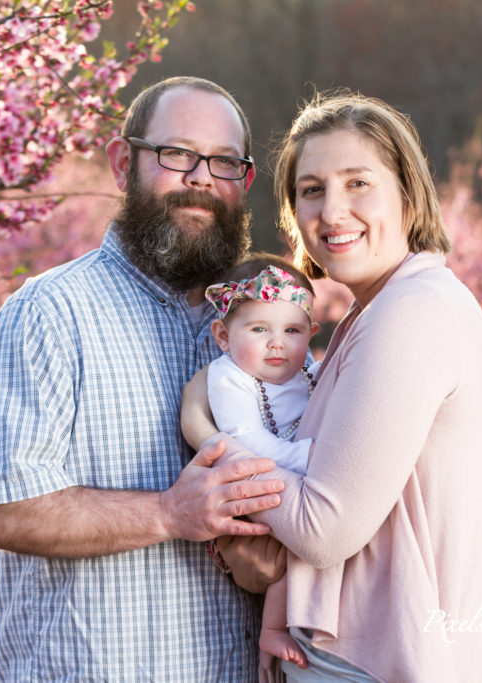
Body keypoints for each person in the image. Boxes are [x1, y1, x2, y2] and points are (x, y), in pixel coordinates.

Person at [182, 90, 482, 682]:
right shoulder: (375, 310)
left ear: (408, 196)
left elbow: (323, 528)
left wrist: (206, 433)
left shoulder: (412, 313)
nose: (332, 211)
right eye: (312, 189)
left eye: (359, 183)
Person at [0, 76, 288, 681]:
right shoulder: (47, 314)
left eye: (223, 162)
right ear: (121, 162)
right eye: (177, 154)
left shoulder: (260, 328)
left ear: (245, 181)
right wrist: (167, 512)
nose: (200, 179)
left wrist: (269, 569)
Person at [198, 255, 321, 673]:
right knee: (283, 551)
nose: (277, 343)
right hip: (251, 491)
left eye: (292, 330)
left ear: (311, 334)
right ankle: (273, 628)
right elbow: (248, 442)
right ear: (222, 335)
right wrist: (314, 458)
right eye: (258, 329)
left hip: (293, 481)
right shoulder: (228, 377)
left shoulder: (306, 368)